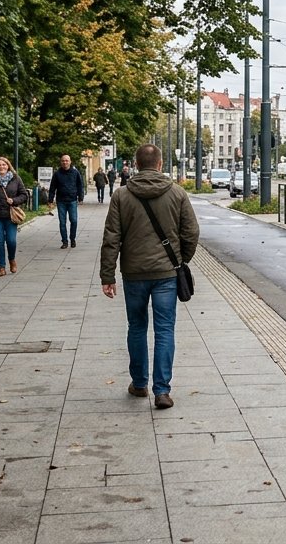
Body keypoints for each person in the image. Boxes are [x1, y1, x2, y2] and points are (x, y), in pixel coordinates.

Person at [100, 144, 198, 410]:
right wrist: (180, 260)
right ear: (159, 164)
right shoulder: (177, 193)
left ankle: (140, 383)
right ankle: (162, 391)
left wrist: (107, 275)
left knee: (137, 326)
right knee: (165, 329)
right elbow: (191, 232)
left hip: (133, 273)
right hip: (166, 273)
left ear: (136, 164)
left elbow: (112, 238)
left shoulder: (121, 195)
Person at [50, 154, 85, 248]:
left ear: (70, 161)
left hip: (72, 200)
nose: (65, 162)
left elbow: (80, 185)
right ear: (61, 162)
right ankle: (64, 241)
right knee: (62, 222)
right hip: (61, 201)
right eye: (63, 161)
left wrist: (81, 197)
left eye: (66, 160)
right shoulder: (57, 174)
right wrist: (50, 200)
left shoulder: (75, 172)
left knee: (74, 221)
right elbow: (52, 187)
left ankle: (72, 238)